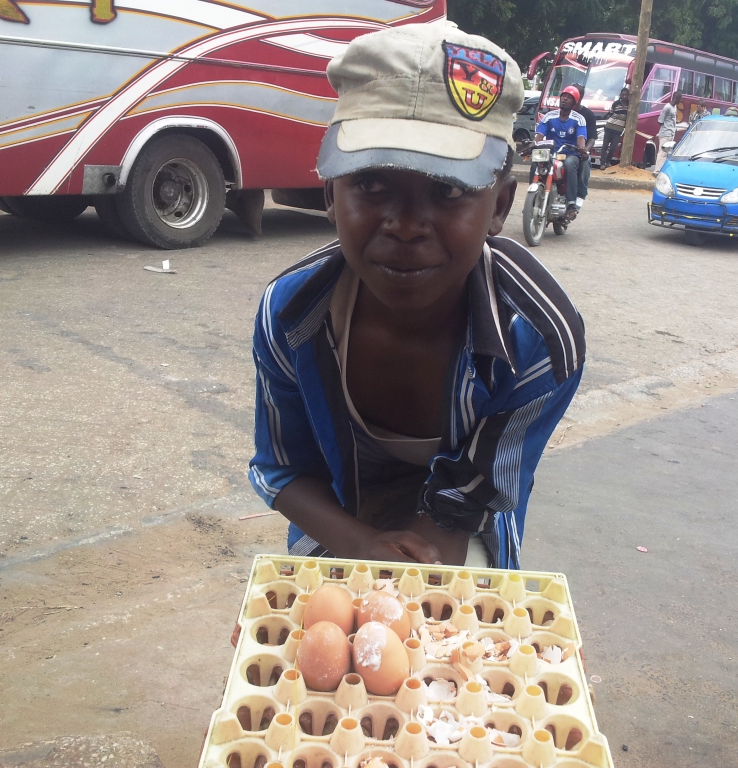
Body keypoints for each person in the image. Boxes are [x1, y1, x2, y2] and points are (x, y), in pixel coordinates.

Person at [248, 23, 586, 570]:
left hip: (460, 525)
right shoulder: (291, 315)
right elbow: (283, 469)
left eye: (449, 190)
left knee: (452, 634)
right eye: (372, 184)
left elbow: (467, 500)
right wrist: (359, 547)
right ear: (330, 194)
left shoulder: (539, 337)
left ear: (500, 206)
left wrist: (406, 574)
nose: (405, 225)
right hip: (338, 520)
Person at [535, 85, 587, 217]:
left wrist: (581, 148)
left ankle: (570, 204)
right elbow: (539, 135)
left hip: (570, 154)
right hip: (551, 153)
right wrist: (534, 144)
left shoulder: (579, 119)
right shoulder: (549, 116)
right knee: (536, 161)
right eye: (563, 96)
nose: (564, 99)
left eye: (569, 98)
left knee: (570, 164)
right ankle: (534, 197)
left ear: (574, 103)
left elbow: (581, 138)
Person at [600, 87, 629, 169]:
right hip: (609, 127)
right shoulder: (616, 104)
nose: (624, 96)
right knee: (605, 146)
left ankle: (607, 161)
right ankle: (602, 164)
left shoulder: (630, 105)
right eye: (623, 95)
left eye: (626, 95)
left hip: (618, 131)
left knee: (613, 148)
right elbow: (611, 113)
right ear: (620, 95)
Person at [654, 91, 682, 173]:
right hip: (665, 133)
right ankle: (657, 171)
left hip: (671, 134)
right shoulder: (667, 107)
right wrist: (666, 127)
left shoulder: (675, 107)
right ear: (676, 98)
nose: (680, 101)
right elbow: (660, 120)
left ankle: (662, 171)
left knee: (666, 154)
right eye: (680, 99)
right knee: (662, 153)